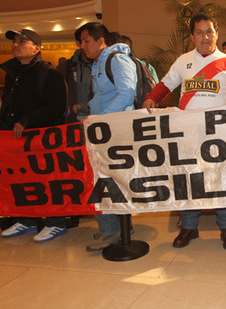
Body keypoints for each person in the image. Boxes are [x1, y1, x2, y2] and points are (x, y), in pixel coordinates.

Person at [143, 13, 226, 250]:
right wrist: (151, 98)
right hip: (188, 133)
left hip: (221, 133)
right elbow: (166, 84)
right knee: (189, 179)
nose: (205, 37)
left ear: (217, 34)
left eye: (209, 31)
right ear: (192, 37)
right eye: (199, 32)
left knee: (223, 179)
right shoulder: (183, 61)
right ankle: (189, 227)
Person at [0, 29, 68, 242]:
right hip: (16, 139)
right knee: (22, 179)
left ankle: (55, 222)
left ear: (37, 48)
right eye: (14, 41)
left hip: (42, 137)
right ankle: (26, 219)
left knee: (48, 181)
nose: (16, 44)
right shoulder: (12, 75)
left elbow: (57, 105)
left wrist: (28, 120)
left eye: (22, 41)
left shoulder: (49, 73)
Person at [79, 22, 137, 252]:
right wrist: (85, 111)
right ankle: (116, 227)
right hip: (104, 130)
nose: (83, 46)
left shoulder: (117, 60)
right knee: (107, 181)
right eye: (81, 42)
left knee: (106, 182)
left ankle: (111, 230)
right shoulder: (99, 64)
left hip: (115, 130)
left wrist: (98, 118)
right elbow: (102, 97)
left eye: (86, 41)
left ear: (100, 40)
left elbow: (126, 93)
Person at [57, 26, 93, 122]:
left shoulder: (105, 65)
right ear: (78, 43)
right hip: (72, 122)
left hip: (98, 120)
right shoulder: (65, 67)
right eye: (86, 41)